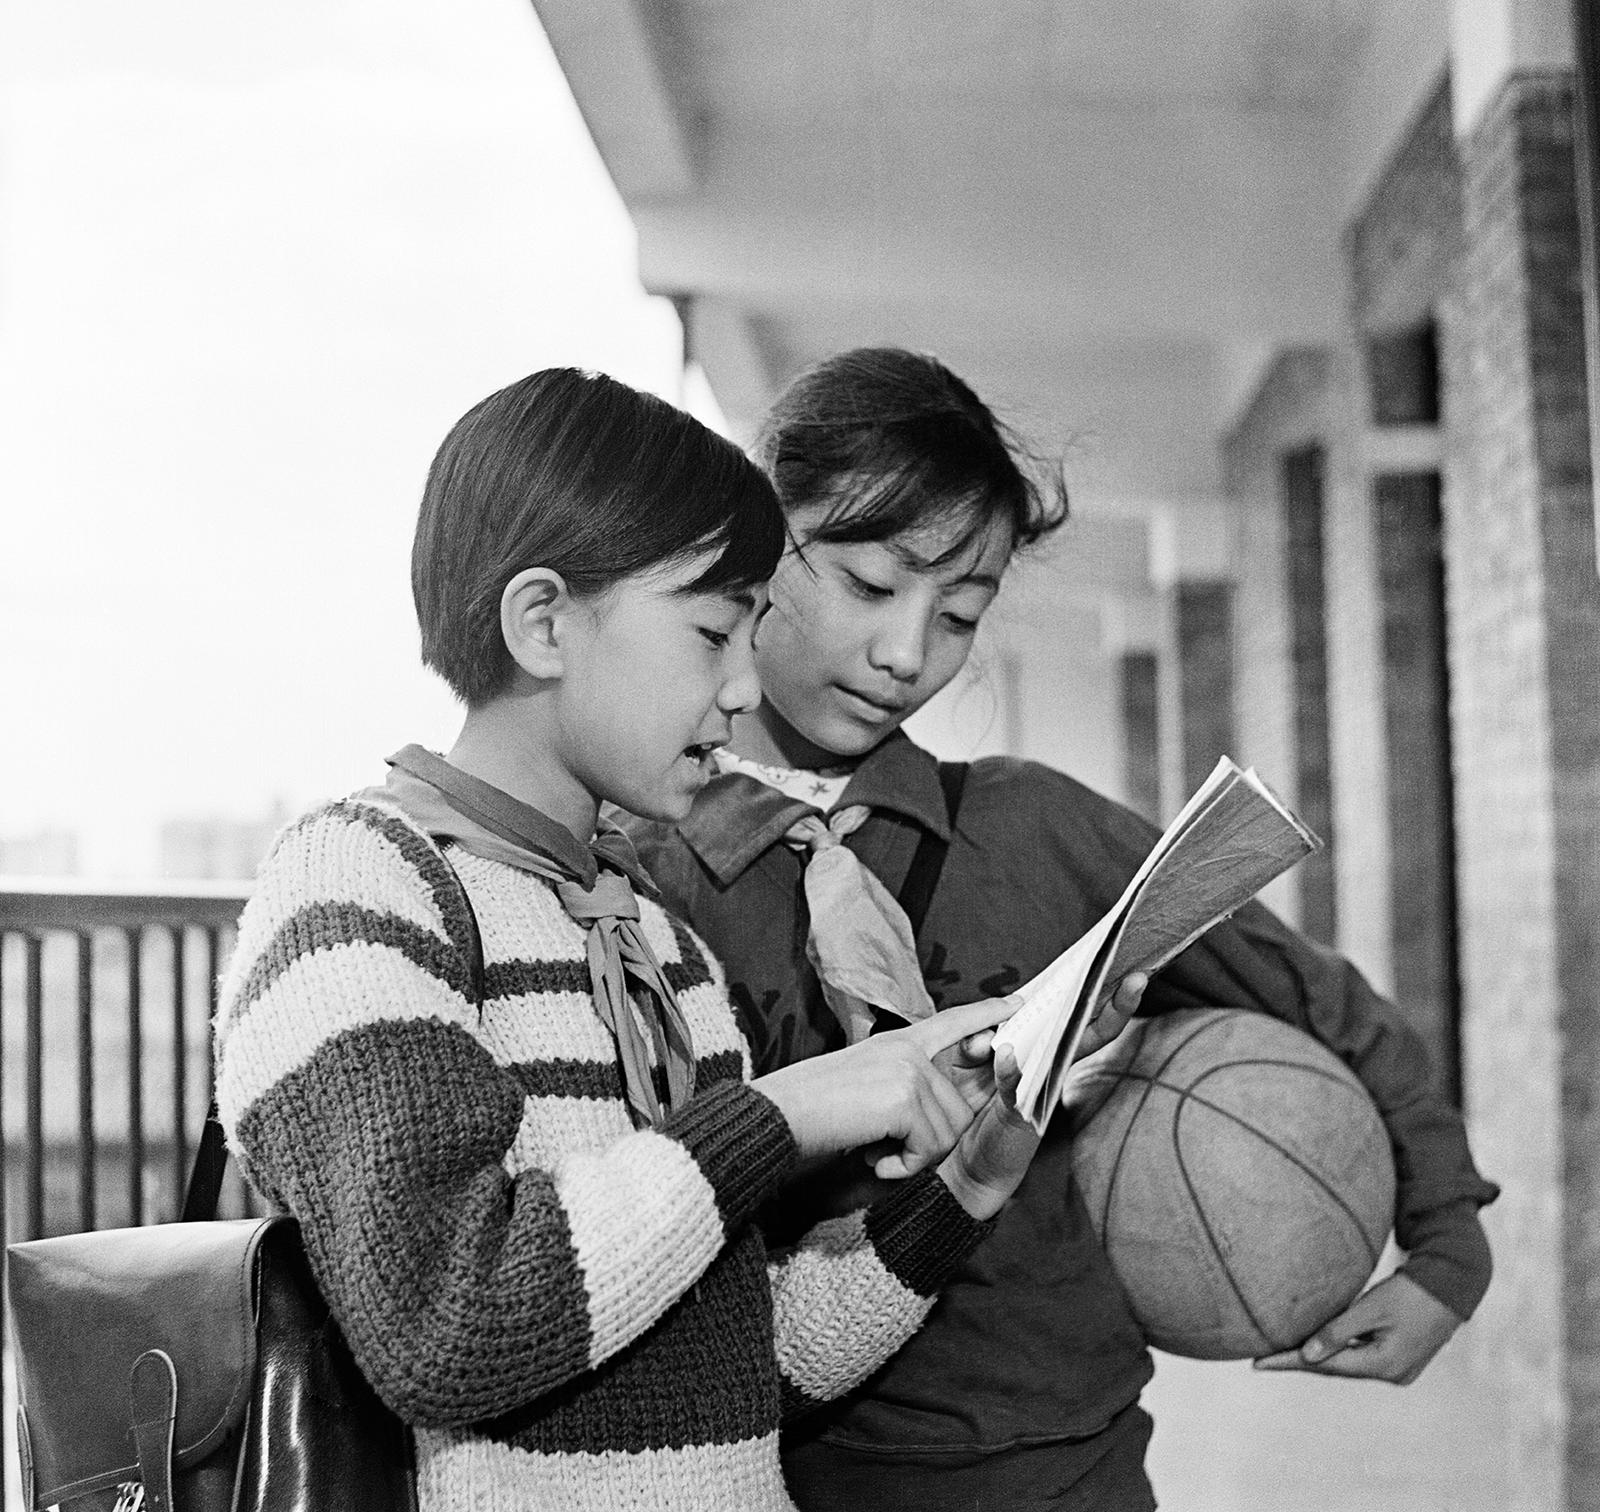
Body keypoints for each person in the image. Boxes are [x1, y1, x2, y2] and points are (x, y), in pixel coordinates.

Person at [622, 347, 1500, 1511]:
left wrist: (1448, 1247)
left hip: (1075, 1468)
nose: (907, 655)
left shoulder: (1039, 828)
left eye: (959, 615)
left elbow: (1317, 997)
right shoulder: (639, 880)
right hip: (784, 1479)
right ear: (756, 545)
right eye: (871, 585)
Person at [212, 366, 1056, 1512]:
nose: (744, 686)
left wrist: (960, 1190)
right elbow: (449, 1328)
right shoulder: (361, 884)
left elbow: (740, 1368)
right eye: (712, 633)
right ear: (544, 623)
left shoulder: (663, 947)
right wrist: (788, 1110)